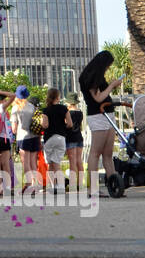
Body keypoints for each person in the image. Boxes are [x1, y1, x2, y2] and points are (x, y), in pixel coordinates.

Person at [79, 51, 123, 195]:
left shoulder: (95, 75)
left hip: (107, 114)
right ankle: (93, 189)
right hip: (98, 115)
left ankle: (114, 185)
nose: (108, 68)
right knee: (96, 152)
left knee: (108, 153)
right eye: (108, 66)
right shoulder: (91, 77)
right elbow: (98, 98)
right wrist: (112, 85)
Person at [10, 83, 42, 187]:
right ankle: (35, 184)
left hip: (23, 137)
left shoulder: (15, 108)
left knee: (25, 162)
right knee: (33, 162)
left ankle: (29, 184)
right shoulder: (32, 107)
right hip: (34, 137)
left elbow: (14, 129)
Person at [41, 87, 73, 184]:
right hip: (61, 137)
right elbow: (70, 124)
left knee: (50, 164)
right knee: (57, 163)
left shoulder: (45, 110)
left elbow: (45, 125)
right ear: (58, 98)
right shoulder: (64, 108)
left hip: (49, 139)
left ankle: (53, 185)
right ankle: (60, 185)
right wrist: (63, 126)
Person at [66, 103, 85, 180]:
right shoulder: (80, 112)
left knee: (72, 161)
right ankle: (80, 183)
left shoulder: (68, 113)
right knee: (79, 160)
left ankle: (72, 184)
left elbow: (67, 124)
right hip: (79, 137)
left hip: (70, 137)